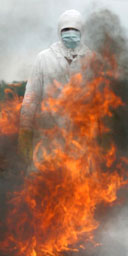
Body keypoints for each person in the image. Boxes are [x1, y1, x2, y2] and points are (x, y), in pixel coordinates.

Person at [19, 9, 92, 171]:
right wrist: (25, 129)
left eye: (75, 30)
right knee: (46, 186)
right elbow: (31, 97)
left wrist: (106, 135)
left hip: (82, 138)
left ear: (82, 32)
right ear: (59, 31)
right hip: (48, 138)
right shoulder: (44, 58)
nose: (71, 34)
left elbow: (101, 101)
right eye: (66, 30)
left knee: (81, 188)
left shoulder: (92, 60)